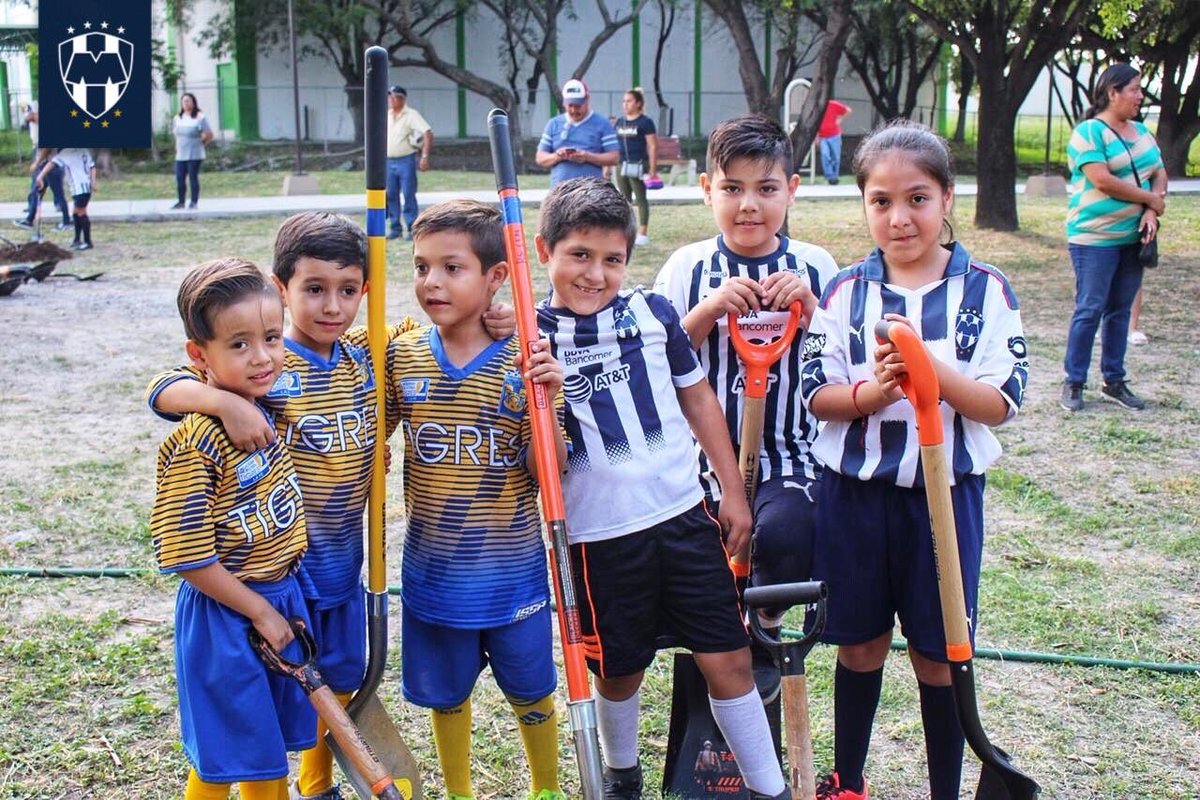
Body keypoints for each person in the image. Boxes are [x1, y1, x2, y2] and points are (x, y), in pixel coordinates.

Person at [145, 211, 516, 800]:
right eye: (314, 289)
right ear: (280, 288)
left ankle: (319, 786)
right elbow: (165, 386)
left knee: (330, 684)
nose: (331, 307)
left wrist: (506, 316)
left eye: (348, 291)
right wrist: (220, 402)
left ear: (365, 293)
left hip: (344, 567)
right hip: (279, 573)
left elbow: (442, 330)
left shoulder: (367, 352)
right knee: (256, 715)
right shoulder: (264, 366)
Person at [534, 177, 789, 800]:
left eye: (612, 259)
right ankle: (622, 773)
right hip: (596, 537)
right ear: (544, 252)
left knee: (727, 658)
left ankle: (769, 788)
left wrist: (732, 490)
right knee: (619, 670)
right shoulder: (528, 336)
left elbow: (698, 397)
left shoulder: (652, 315)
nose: (595, 274)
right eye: (579, 256)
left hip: (681, 517)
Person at [800, 120, 1027, 800]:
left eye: (918, 198)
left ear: (948, 198)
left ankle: (945, 789)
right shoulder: (845, 293)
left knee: (938, 651)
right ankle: (848, 779)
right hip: (856, 498)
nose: (899, 218)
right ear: (863, 203)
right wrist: (877, 391)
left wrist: (931, 371)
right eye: (881, 201)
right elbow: (818, 395)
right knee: (860, 643)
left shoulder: (985, 291)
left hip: (944, 500)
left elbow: (1000, 401)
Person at [387, 199, 567, 800]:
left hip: (513, 577)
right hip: (433, 575)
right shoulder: (402, 354)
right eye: (420, 267)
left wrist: (547, 402)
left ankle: (546, 787)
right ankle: (458, 790)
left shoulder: (525, 364)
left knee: (532, 689)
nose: (431, 282)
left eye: (451, 268)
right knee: (447, 693)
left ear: (496, 277)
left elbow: (552, 476)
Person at [653, 113, 837, 699]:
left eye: (766, 189)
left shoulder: (816, 267)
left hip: (790, 454)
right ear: (707, 189)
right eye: (732, 188)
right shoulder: (688, 267)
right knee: (707, 550)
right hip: (704, 458)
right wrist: (706, 312)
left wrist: (811, 309)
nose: (748, 205)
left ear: (792, 189)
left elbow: (843, 353)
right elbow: (654, 360)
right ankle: (722, 644)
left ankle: (766, 625)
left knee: (782, 532)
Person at [150, 257, 315, 800]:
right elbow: (186, 555)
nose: (263, 356)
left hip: (281, 595)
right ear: (200, 355)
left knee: (265, 752)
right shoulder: (197, 443)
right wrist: (261, 612)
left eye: (272, 336)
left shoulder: (270, 396)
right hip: (229, 614)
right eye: (239, 344)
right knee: (229, 755)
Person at [1061, 63, 1166, 412]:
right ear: (1113, 93)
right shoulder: (1089, 132)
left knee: (1120, 310)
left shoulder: (1142, 132)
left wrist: (1152, 208)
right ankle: (1074, 382)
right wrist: (1149, 199)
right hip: (1093, 238)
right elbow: (1102, 180)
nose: (1140, 96)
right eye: (1134, 89)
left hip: (1132, 238)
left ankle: (1114, 380)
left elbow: (1159, 173)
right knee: (1090, 309)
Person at [536, 79, 619, 186]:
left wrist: (587, 157)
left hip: (592, 190)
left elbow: (614, 158)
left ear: (587, 100)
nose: (574, 110)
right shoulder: (554, 124)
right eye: (570, 106)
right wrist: (557, 156)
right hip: (560, 191)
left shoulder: (602, 124)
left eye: (578, 106)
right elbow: (540, 157)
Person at [385, 85, 433, 240]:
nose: (391, 100)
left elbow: (427, 132)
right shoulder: (387, 115)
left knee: (408, 194)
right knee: (391, 195)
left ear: (402, 99)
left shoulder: (411, 115)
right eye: (389, 97)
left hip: (405, 160)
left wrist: (424, 156)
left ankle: (412, 228)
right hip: (388, 160)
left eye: (394, 97)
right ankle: (395, 228)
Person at [613, 87, 658, 246]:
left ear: (638, 103)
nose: (625, 104)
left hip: (638, 165)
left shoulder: (645, 122)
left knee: (640, 198)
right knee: (623, 199)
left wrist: (652, 169)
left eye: (629, 101)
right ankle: (626, 231)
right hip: (621, 165)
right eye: (624, 101)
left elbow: (652, 146)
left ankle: (643, 232)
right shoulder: (620, 122)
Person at [38, 147, 95, 250]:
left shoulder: (67, 152)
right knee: (76, 213)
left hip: (80, 188)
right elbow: (92, 166)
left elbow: (51, 163)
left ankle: (88, 242)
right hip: (83, 187)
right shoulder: (84, 150)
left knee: (81, 213)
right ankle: (77, 239)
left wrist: (40, 176)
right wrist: (93, 181)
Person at [172, 92, 215, 210]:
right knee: (180, 178)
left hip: (195, 153)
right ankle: (181, 202)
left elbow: (209, 134)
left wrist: (203, 143)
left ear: (193, 102)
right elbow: (176, 135)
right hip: (181, 154)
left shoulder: (200, 117)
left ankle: (194, 202)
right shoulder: (177, 118)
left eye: (188, 101)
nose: (186, 103)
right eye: (184, 101)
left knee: (192, 177)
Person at [14, 147, 70, 231]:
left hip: (51, 166)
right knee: (36, 193)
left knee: (59, 195)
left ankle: (66, 222)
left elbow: (47, 149)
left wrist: (36, 163)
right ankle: (29, 220)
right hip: (46, 166)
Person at [817, 99, 852, 185]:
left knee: (835, 157)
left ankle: (834, 178)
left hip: (834, 135)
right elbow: (816, 122)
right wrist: (816, 137)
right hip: (823, 136)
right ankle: (830, 177)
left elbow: (848, 110)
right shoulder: (818, 107)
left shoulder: (833, 104)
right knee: (825, 155)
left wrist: (840, 119)